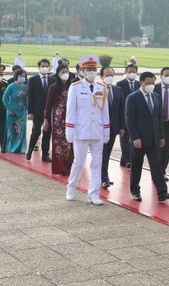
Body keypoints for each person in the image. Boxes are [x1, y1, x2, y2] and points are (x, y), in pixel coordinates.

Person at [65, 54, 110, 205]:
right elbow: (70, 111)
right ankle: (71, 187)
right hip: (81, 131)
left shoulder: (102, 88)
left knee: (97, 164)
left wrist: (106, 131)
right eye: (89, 69)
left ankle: (93, 194)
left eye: (94, 69)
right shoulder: (76, 87)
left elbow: (105, 112)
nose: (92, 71)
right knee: (79, 162)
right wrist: (69, 131)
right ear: (83, 71)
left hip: (97, 131)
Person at [125, 71, 169, 202]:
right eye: (148, 83)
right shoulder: (133, 97)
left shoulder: (156, 97)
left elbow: (159, 119)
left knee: (156, 166)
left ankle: (162, 192)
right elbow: (129, 120)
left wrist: (162, 136)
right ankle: (135, 190)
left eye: (153, 83)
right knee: (136, 167)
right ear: (141, 83)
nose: (151, 86)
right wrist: (135, 138)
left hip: (154, 139)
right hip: (139, 140)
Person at [43, 64, 74, 175]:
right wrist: (46, 119)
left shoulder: (73, 86)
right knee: (59, 143)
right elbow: (48, 104)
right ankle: (60, 168)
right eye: (62, 72)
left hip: (71, 117)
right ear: (58, 74)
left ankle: (70, 167)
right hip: (57, 119)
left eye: (66, 71)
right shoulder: (53, 87)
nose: (65, 74)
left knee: (70, 143)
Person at [100, 66, 125, 188]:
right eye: (107, 75)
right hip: (100, 128)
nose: (109, 77)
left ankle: (104, 175)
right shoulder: (97, 90)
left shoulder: (118, 90)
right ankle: (103, 177)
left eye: (111, 75)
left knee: (107, 153)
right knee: (102, 153)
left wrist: (122, 127)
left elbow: (121, 109)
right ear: (101, 77)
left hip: (113, 127)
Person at [26, 59, 55, 161]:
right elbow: (30, 97)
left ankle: (45, 154)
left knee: (47, 133)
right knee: (36, 131)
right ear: (39, 67)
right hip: (37, 110)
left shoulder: (52, 80)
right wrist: (30, 112)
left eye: (46, 66)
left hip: (49, 110)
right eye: (42, 66)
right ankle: (30, 150)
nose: (44, 68)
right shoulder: (33, 80)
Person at [116, 63, 139, 169]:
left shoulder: (139, 84)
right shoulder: (120, 84)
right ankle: (128, 161)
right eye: (129, 72)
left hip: (137, 116)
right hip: (124, 115)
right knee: (124, 138)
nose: (132, 74)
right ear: (125, 72)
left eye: (134, 72)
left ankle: (124, 159)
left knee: (133, 137)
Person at [2, 69, 28, 153]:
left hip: (22, 112)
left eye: (24, 76)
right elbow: (4, 99)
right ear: (16, 76)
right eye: (20, 76)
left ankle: (20, 148)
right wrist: (9, 109)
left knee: (21, 130)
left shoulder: (25, 87)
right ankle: (11, 147)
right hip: (12, 112)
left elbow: (27, 100)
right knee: (12, 130)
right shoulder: (11, 86)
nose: (22, 78)